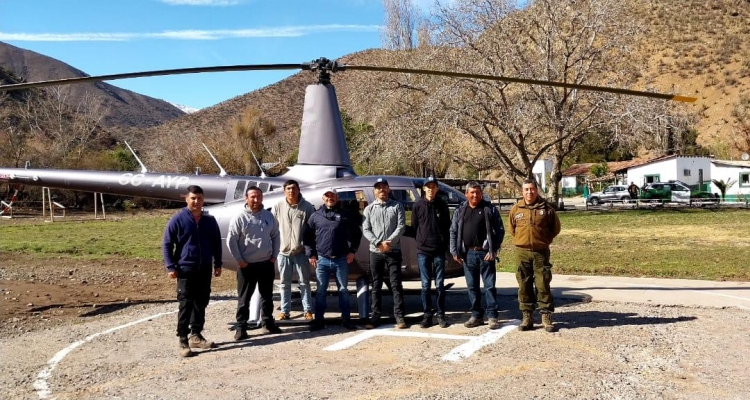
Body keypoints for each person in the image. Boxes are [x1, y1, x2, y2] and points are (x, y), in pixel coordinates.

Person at [162, 185, 223, 357]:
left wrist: (218, 264)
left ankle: (196, 335)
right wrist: (170, 266)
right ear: (186, 199)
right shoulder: (178, 219)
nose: (196, 202)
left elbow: (216, 243)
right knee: (186, 303)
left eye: (199, 198)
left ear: (203, 199)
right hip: (185, 268)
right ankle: (183, 339)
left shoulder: (209, 221)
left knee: (201, 302)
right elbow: (167, 244)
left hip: (204, 268)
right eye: (193, 198)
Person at [226, 186, 282, 341]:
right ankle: (241, 328)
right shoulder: (239, 218)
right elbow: (232, 241)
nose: (256, 200)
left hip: (266, 263)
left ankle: (268, 323)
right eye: (252, 197)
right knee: (244, 299)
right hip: (247, 266)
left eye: (258, 197)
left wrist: (274, 256)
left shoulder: (268, 216)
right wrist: (240, 260)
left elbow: (276, 236)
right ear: (246, 198)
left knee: (267, 296)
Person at [449, 181, 505, 329]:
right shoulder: (460, 210)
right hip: (467, 254)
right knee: (472, 287)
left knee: (489, 286)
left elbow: (500, 230)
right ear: (466, 194)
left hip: (485, 254)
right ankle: (476, 316)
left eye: (477, 192)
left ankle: (492, 316)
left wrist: (493, 250)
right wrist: (454, 251)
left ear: (481, 193)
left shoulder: (489, 209)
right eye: (472, 192)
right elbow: (453, 231)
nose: (475, 195)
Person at [509, 178, 561, 333]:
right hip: (522, 252)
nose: (529, 192)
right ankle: (527, 317)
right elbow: (512, 229)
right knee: (524, 284)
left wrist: (544, 240)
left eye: (532, 189)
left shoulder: (546, 208)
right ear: (522, 191)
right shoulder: (516, 209)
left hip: (540, 252)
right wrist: (522, 241)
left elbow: (555, 228)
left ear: (536, 190)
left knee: (542, 283)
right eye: (526, 189)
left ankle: (546, 316)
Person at [305, 188, 362, 331]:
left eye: (332, 196)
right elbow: (307, 237)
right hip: (322, 260)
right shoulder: (315, 216)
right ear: (323, 198)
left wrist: (352, 251)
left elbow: (357, 234)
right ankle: (319, 320)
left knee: (343, 289)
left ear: (336, 197)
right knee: (320, 291)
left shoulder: (345, 215)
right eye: (327, 196)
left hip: (341, 259)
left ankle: (346, 319)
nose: (330, 198)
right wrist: (311, 254)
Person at [362, 177, 408, 329]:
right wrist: (377, 243)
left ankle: (399, 316)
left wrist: (389, 242)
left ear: (389, 189)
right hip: (375, 252)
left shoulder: (397, 206)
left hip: (393, 251)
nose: (382, 190)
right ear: (374, 191)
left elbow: (401, 226)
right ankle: (376, 316)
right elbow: (366, 229)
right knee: (376, 285)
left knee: (396, 285)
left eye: (384, 187)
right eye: (378, 187)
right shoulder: (369, 209)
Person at [271, 180, 316, 321]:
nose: (291, 191)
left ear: (298, 190)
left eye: (294, 188)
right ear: (284, 191)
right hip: (283, 253)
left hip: (301, 252)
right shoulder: (278, 206)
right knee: (285, 284)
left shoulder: (307, 207)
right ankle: (285, 311)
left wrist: (310, 250)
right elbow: (272, 228)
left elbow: (312, 230)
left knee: (304, 282)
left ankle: (307, 310)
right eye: (288, 189)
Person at [412, 177, 451, 329]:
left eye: (433, 187)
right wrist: (421, 241)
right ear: (423, 189)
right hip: (423, 251)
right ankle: (427, 315)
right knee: (425, 285)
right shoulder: (418, 206)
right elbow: (415, 226)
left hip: (439, 251)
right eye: (428, 187)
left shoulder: (442, 205)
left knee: (440, 285)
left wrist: (444, 244)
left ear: (437, 189)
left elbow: (447, 226)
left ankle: (441, 314)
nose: (430, 189)